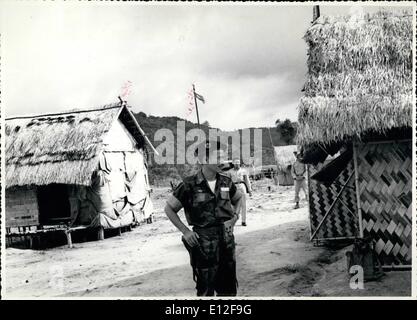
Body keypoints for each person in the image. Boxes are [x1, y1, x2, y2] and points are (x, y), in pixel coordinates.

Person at [164, 139, 243, 296]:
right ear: (204, 160)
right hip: (204, 243)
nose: (222, 161)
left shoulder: (226, 181)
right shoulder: (189, 185)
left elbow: (239, 198)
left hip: (226, 241)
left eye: (223, 157)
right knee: (206, 289)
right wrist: (186, 232)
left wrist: (234, 218)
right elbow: (169, 209)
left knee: (228, 289)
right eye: (218, 157)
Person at [229, 159, 252, 226]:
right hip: (234, 186)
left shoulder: (243, 171)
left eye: (238, 163)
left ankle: (243, 221)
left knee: (243, 204)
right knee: (233, 205)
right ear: (233, 164)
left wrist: (250, 190)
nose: (237, 165)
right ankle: (233, 220)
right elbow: (228, 181)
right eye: (235, 164)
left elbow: (247, 180)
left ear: (239, 164)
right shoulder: (230, 172)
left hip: (242, 186)